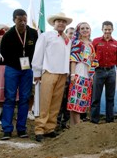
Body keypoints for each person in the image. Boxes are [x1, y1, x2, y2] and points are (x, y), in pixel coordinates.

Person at [32, 13, 72, 142]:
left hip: (62, 73)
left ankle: (50, 128)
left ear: (66, 24)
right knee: (45, 101)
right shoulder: (46, 36)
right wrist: (37, 72)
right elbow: (38, 53)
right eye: (58, 21)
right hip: (49, 71)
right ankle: (39, 129)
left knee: (56, 103)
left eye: (63, 22)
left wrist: (67, 72)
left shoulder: (67, 39)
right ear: (54, 23)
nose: (61, 23)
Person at [0, 9, 38, 140]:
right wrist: (16, 63)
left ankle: (22, 128)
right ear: (14, 20)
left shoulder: (33, 33)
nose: (22, 23)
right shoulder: (8, 35)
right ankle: (7, 129)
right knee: (9, 98)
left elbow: (37, 50)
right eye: (19, 20)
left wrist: (30, 64)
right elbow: (3, 52)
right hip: (12, 69)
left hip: (27, 70)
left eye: (24, 20)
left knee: (24, 98)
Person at [91, 21, 117, 124]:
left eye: (109, 29)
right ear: (102, 29)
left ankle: (110, 121)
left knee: (110, 97)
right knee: (96, 97)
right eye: (105, 29)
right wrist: (90, 72)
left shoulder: (116, 44)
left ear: (112, 29)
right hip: (98, 71)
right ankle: (94, 121)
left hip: (111, 72)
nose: (107, 31)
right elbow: (90, 57)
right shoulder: (95, 41)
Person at [67, 22, 97, 126]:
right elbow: (73, 60)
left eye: (87, 28)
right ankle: (77, 126)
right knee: (75, 100)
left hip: (87, 75)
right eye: (82, 28)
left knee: (80, 100)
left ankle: (73, 126)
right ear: (79, 30)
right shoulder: (77, 43)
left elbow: (93, 61)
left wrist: (92, 75)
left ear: (90, 30)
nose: (85, 30)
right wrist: (73, 74)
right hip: (78, 73)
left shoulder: (91, 44)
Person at [57, 26, 75, 130]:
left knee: (68, 100)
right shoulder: (61, 45)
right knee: (60, 100)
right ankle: (57, 123)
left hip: (72, 78)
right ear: (66, 34)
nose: (72, 36)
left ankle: (65, 123)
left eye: (74, 34)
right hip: (62, 75)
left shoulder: (76, 47)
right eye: (70, 33)